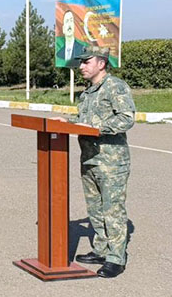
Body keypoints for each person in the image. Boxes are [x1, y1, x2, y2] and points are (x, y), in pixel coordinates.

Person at [54, 46, 135, 278]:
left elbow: (127, 118)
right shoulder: (88, 92)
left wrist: (96, 128)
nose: (81, 66)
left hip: (111, 161)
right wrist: (67, 122)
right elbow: (84, 119)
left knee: (112, 209)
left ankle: (116, 258)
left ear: (101, 63)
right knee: (95, 208)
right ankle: (101, 249)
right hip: (89, 158)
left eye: (86, 62)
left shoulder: (115, 86)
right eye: (81, 62)